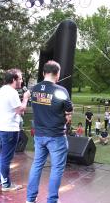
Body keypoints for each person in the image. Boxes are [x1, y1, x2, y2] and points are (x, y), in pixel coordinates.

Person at [26, 61, 73, 203]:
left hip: (39, 135)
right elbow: (69, 111)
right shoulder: (61, 91)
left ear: (43, 73)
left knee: (37, 165)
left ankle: (30, 199)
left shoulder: (34, 89)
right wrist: (67, 116)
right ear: (57, 74)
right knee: (57, 168)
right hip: (56, 136)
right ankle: (52, 200)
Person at [0, 68, 30, 191]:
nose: (22, 80)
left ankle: (0, 180)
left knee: (2, 155)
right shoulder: (12, 92)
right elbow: (20, 110)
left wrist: (20, 108)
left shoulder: (2, 90)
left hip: (1, 128)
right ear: (14, 79)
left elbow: (14, 109)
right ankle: (6, 184)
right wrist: (25, 98)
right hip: (9, 130)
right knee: (6, 157)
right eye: (20, 78)